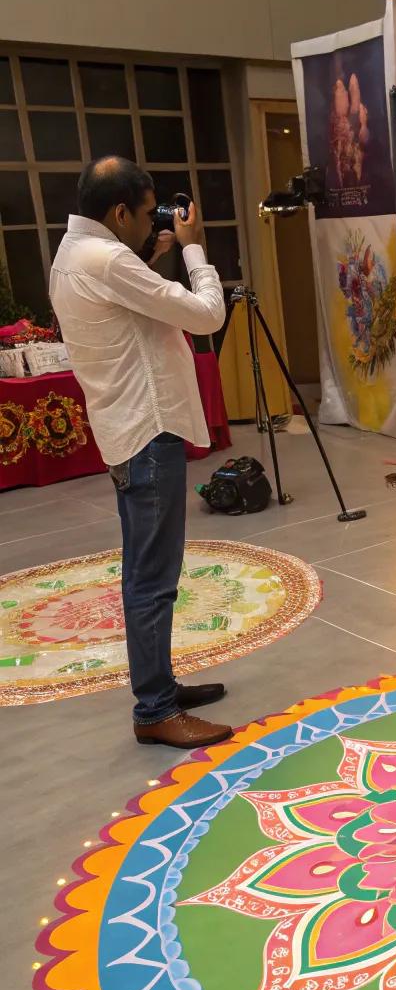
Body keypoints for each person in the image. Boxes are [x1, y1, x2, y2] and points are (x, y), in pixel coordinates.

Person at [49, 157, 234, 750]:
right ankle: (154, 708)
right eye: (147, 210)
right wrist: (194, 250)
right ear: (119, 211)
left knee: (146, 574)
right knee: (152, 580)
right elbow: (208, 314)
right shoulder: (107, 260)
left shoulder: (72, 255)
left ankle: (160, 686)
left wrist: (150, 255)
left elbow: (127, 304)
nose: (155, 219)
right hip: (149, 436)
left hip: (125, 433)